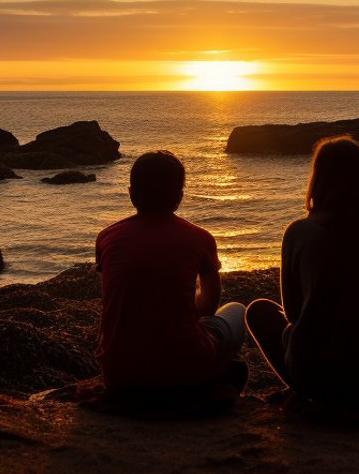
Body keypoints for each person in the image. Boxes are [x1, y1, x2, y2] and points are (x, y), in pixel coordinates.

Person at [245, 135, 359, 405]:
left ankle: (305, 392)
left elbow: (294, 312)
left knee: (259, 311)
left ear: (318, 177)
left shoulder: (300, 232)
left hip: (317, 380)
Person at [95, 150, 247, 394]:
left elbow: (112, 298)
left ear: (131, 194)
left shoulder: (107, 237)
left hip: (119, 375)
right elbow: (207, 307)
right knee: (237, 311)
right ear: (179, 197)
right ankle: (217, 370)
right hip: (185, 370)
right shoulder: (200, 238)